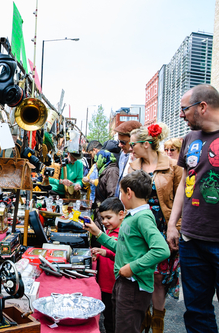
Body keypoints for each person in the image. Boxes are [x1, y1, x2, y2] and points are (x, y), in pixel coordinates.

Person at [83, 170, 170, 333]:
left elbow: (162, 250)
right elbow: (123, 248)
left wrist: (133, 268)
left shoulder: (142, 217)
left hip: (133, 286)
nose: (120, 196)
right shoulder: (133, 216)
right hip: (124, 283)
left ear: (128, 193)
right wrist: (98, 234)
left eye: (121, 192)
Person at [167, 84, 219, 333]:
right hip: (191, 239)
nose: (181, 115)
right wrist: (172, 224)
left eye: (184, 109)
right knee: (197, 311)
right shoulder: (189, 139)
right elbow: (184, 184)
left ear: (203, 107)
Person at [127, 122, 183, 333]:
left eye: (134, 145)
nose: (131, 149)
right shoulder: (133, 166)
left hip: (162, 228)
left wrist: (175, 228)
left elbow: (180, 199)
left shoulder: (173, 166)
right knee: (142, 273)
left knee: (159, 278)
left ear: (147, 144)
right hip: (140, 228)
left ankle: (158, 323)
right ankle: (144, 316)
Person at [90, 197, 125, 333]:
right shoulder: (109, 231)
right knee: (108, 317)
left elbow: (121, 253)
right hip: (105, 284)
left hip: (113, 284)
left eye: (108, 218)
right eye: (103, 218)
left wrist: (105, 253)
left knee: (113, 319)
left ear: (121, 215)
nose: (104, 222)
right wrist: (99, 253)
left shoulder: (122, 233)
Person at [91, 150, 119, 233]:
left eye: (96, 161)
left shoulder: (112, 171)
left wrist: (106, 213)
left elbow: (112, 193)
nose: (95, 164)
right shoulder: (106, 170)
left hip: (105, 212)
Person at [113, 120, 142, 197]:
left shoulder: (145, 160)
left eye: (123, 142)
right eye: (119, 141)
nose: (119, 145)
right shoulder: (123, 155)